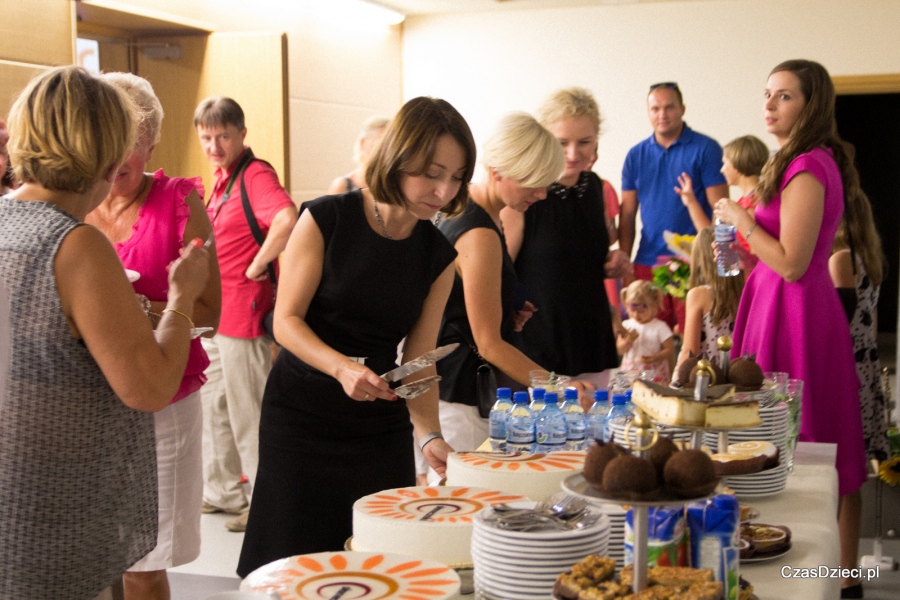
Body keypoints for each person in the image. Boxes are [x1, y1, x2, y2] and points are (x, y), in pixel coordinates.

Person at [237, 96, 474, 576]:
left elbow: (421, 357)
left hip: (377, 422)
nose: (443, 190)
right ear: (398, 157)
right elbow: (287, 321)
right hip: (302, 414)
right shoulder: (327, 218)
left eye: (456, 177)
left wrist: (429, 435)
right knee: (293, 565)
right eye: (432, 172)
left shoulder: (439, 254)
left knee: (373, 566)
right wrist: (341, 366)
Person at [0, 66, 209, 600]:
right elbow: (149, 387)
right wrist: (182, 296)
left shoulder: (6, 221)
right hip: (59, 496)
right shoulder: (75, 245)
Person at [715, 59, 868, 598]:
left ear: (811, 104)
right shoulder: (789, 162)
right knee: (769, 439)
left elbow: (793, 263)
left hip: (798, 310)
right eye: (767, 94)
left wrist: (742, 220)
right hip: (770, 302)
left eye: (784, 96)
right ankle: (795, 569)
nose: (770, 104)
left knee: (809, 438)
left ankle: (828, 579)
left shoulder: (807, 164)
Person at [84, 73, 222, 600]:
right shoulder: (77, 204)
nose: (118, 158)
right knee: (95, 557)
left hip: (164, 400)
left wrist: (143, 309)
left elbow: (208, 313)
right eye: (107, 140)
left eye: (131, 143)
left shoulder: (181, 204)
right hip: (90, 399)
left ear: (152, 141)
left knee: (144, 561)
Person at [195, 96, 298, 532]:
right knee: (212, 405)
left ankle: (263, 502)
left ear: (241, 134)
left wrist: (257, 265)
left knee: (248, 412)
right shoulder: (221, 180)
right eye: (206, 137)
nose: (214, 145)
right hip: (217, 315)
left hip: (245, 314)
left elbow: (286, 218)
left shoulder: (255, 175)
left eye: (222, 136)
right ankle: (221, 491)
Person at [436, 112, 567, 450]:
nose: (541, 195)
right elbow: (488, 343)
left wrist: (505, 311)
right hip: (461, 394)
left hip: (457, 387)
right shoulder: (478, 232)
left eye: (546, 184)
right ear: (497, 172)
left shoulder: (480, 213)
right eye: (533, 183)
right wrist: (558, 386)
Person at [500, 87, 630, 393]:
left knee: (597, 437)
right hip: (539, 347)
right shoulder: (523, 193)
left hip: (590, 338)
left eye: (584, 142)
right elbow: (500, 276)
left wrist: (612, 260)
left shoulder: (594, 187)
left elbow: (583, 255)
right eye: (562, 143)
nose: (573, 154)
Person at [620, 82, 729, 332]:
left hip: (694, 263)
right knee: (649, 342)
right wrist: (625, 266)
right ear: (648, 112)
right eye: (655, 108)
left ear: (682, 109)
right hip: (647, 262)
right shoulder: (635, 155)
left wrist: (725, 268)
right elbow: (627, 214)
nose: (662, 114)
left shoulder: (706, 149)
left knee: (695, 343)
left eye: (669, 107)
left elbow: (722, 210)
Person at [829, 196, 890, 463]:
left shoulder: (841, 258)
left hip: (846, 364)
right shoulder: (869, 259)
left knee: (839, 460)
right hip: (865, 362)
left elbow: (842, 316)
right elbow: (871, 324)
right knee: (855, 464)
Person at [674, 227, 745, 376]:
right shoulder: (743, 292)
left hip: (703, 376)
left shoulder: (699, 294)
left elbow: (690, 352)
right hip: (735, 375)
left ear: (699, 260)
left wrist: (677, 385)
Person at [616, 280, 675, 384]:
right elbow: (620, 350)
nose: (636, 315)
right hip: (630, 375)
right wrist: (628, 341)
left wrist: (655, 358)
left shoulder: (660, 327)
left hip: (654, 374)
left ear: (653, 305)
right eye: (632, 310)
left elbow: (669, 349)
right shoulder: (626, 325)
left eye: (641, 311)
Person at [326, 115, 389, 194]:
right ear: (363, 143)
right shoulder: (342, 186)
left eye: (389, 146)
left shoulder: (393, 185)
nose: (384, 151)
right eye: (378, 145)